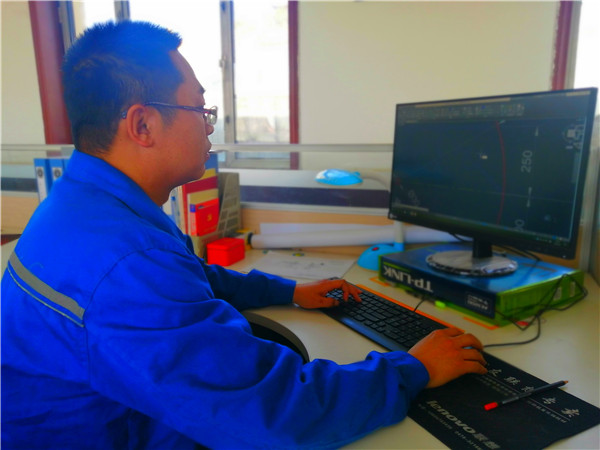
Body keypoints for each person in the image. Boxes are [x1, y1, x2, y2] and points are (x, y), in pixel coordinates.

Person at [1, 20, 487, 449]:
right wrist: (414, 368)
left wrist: (289, 292)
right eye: (199, 108)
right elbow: (273, 415)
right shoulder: (126, 261)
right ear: (143, 124)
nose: (209, 126)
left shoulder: (84, 205)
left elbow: (188, 279)